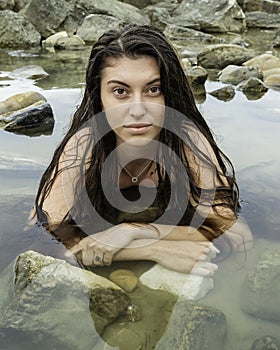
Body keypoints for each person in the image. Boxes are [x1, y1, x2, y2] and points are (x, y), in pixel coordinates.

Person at [29, 24, 253, 276]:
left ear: (169, 95)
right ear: (99, 97)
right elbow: (49, 243)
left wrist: (135, 230)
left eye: (153, 89)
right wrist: (153, 249)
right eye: (120, 91)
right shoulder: (82, 149)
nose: (137, 109)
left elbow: (234, 233)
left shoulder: (186, 140)